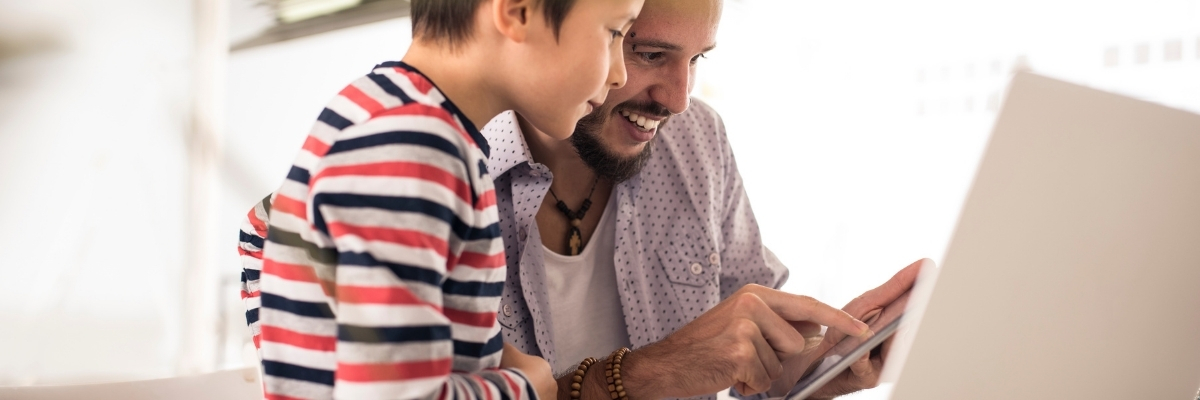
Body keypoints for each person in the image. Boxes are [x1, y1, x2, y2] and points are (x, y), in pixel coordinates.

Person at [241, 0, 915, 399]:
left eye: (698, 59)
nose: (679, 98)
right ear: (518, 12)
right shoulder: (414, 156)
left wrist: (823, 358)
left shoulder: (388, 123)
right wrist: (534, 386)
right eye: (631, 43)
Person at [244, 0, 647, 398]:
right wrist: (527, 389)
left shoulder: (376, 109)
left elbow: (260, 225)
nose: (619, 74)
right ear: (518, 12)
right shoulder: (416, 148)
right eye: (613, 32)